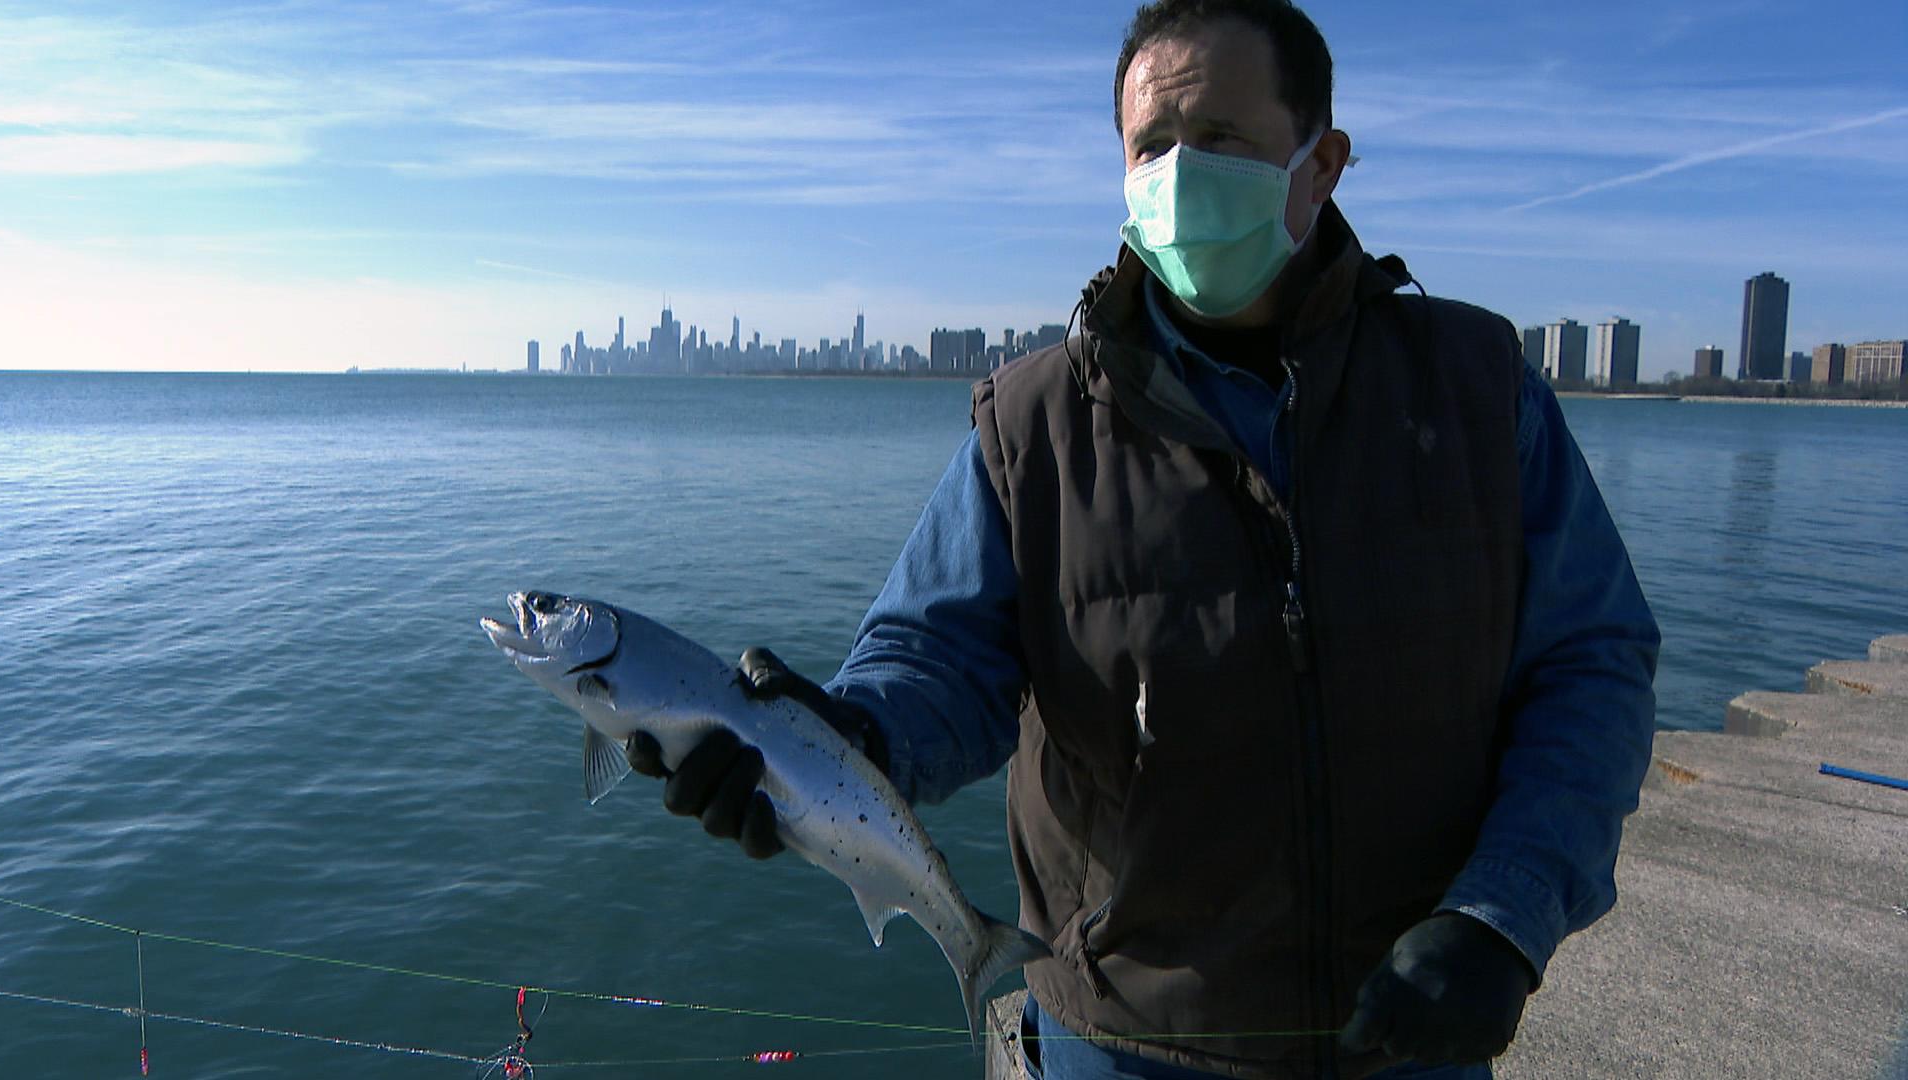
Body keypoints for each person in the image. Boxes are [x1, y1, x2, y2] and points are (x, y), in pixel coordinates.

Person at [626, 1, 1661, 1077]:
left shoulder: (1476, 387)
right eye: (1151, 146)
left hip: (1410, 1030)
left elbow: (1592, 665)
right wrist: (845, 742)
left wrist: (1505, 916)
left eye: (1221, 141)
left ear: (1322, 165)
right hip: (1118, 1039)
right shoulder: (1035, 424)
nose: (1179, 174)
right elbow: (937, 660)